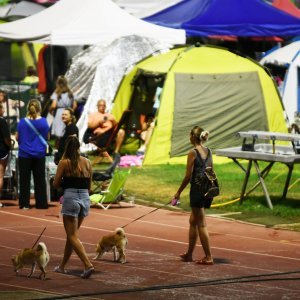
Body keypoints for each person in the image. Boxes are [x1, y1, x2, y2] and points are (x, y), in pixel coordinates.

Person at [53, 136, 94, 279]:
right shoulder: (88, 162)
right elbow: (89, 187)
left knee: (72, 236)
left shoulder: (64, 162)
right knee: (72, 236)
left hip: (71, 197)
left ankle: (87, 264)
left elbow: (55, 184)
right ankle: (62, 266)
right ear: (79, 147)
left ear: (67, 147)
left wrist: (64, 183)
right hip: (85, 198)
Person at [174, 126, 214, 265]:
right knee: (193, 221)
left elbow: (187, 176)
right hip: (207, 189)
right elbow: (210, 170)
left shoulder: (193, 152)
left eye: (189, 135)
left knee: (201, 224)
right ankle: (189, 254)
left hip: (197, 190)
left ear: (192, 137)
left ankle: (208, 257)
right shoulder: (209, 151)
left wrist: (178, 192)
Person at [16, 99, 49, 209]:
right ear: (39, 108)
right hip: (39, 154)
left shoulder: (22, 122)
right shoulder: (44, 122)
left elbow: (17, 137)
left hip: (24, 154)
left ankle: (24, 203)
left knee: (24, 180)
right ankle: (41, 203)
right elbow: (47, 137)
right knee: (40, 179)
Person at [50, 75, 77, 147]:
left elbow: (53, 105)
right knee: (67, 133)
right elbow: (75, 106)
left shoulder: (56, 93)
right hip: (68, 112)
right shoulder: (70, 93)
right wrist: (70, 112)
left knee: (58, 136)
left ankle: (57, 150)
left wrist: (50, 111)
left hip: (59, 113)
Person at [0, 103, 12, 207]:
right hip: (1, 150)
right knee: (0, 176)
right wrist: (10, 145)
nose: (4, 110)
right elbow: (6, 138)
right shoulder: (2, 121)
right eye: (2, 108)